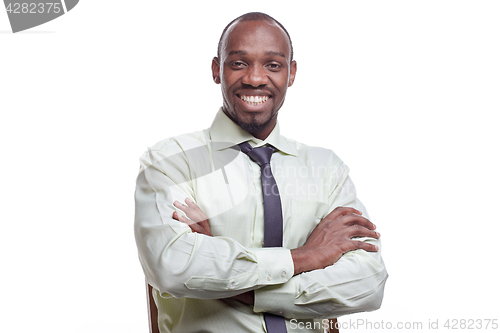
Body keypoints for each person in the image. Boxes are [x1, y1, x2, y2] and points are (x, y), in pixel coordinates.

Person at [134, 12, 388, 333]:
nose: (255, 78)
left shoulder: (327, 169)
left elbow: (368, 283)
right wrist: (308, 257)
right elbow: (173, 266)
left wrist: (227, 274)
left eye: (273, 65)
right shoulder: (171, 161)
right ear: (217, 70)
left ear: (291, 73)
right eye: (239, 63)